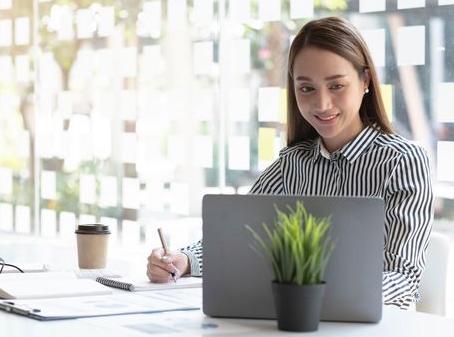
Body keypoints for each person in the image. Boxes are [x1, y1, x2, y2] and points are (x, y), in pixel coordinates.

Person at [146, 16, 434, 310]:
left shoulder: (403, 161)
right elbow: (237, 239)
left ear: (365, 81)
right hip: (295, 317)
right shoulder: (292, 163)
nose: (322, 104)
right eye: (306, 89)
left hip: (376, 323)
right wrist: (182, 260)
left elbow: (403, 276)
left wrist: (319, 293)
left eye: (336, 86)